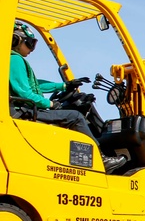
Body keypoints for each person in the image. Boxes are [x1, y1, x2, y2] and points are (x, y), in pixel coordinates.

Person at [9, 21, 126, 173]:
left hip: (23, 109)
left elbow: (35, 85)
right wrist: (50, 104)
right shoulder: (15, 60)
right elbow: (25, 93)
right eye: (29, 43)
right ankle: (101, 160)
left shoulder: (12, 60)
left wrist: (64, 85)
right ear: (15, 40)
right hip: (24, 111)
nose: (32, 48)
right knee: (75, 116)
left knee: (69, 111)